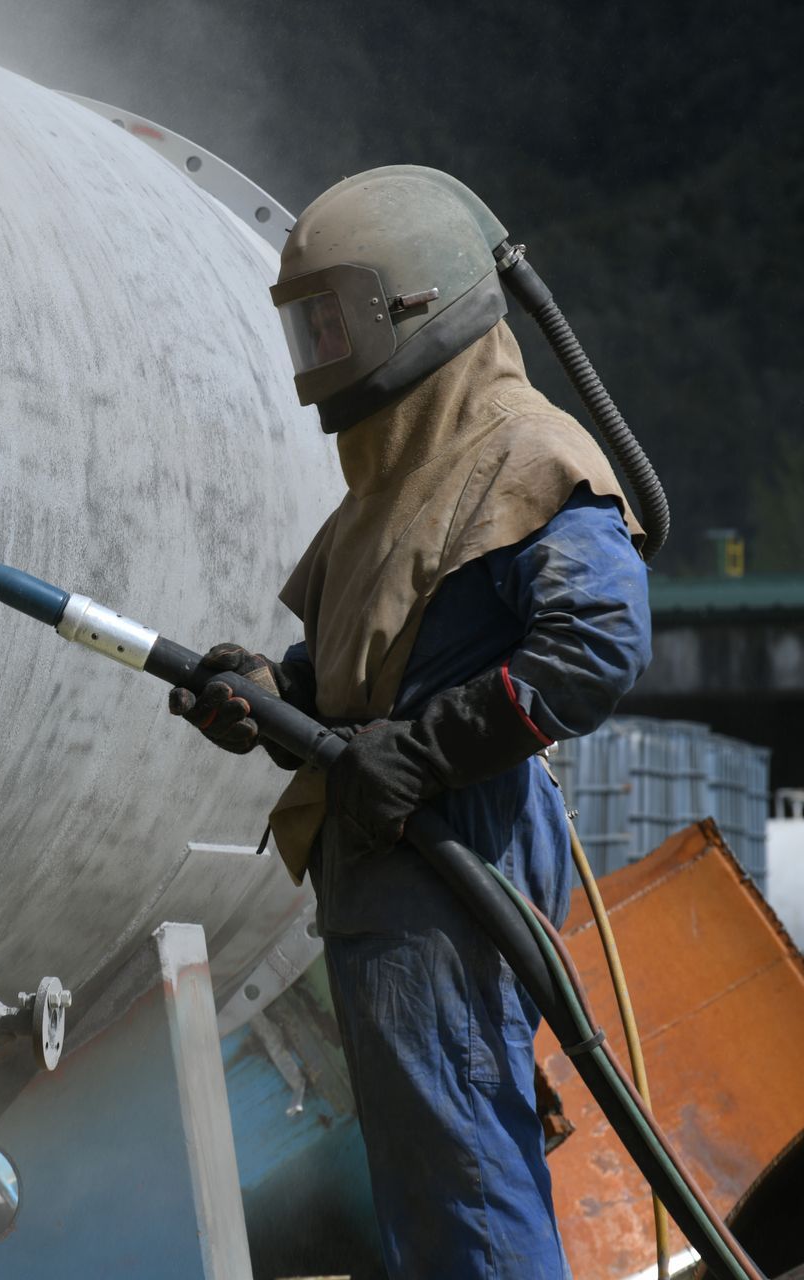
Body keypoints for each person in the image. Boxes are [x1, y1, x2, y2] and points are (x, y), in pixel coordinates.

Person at [169, 166, 652, 1278]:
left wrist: (427, 752)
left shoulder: (527, 456)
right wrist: (270, 690)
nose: (321, 353)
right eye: (309, 326)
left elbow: (597, 645)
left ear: (416, 305)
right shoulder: (407, 478)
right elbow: (380, 668)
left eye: (334, 320)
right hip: (396, 874)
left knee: (464, 1182)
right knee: (435, 1180)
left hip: (451, 864)